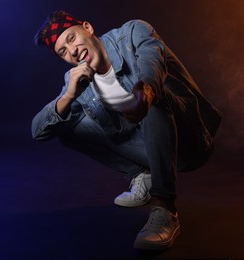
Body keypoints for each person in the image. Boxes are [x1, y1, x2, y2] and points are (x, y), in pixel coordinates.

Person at [32, 10, 221, 251]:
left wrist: (146, 94)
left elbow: (150, 61)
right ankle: (142, 175)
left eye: (71, 39)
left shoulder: (132, 32)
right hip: (148, 148)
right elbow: (38, 131)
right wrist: (69, 95)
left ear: (88, 28)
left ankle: (165, 208)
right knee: (64, 126)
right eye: (63, 52)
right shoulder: (78, 80)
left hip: (191, 142)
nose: (73, 51)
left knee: (154, 98)